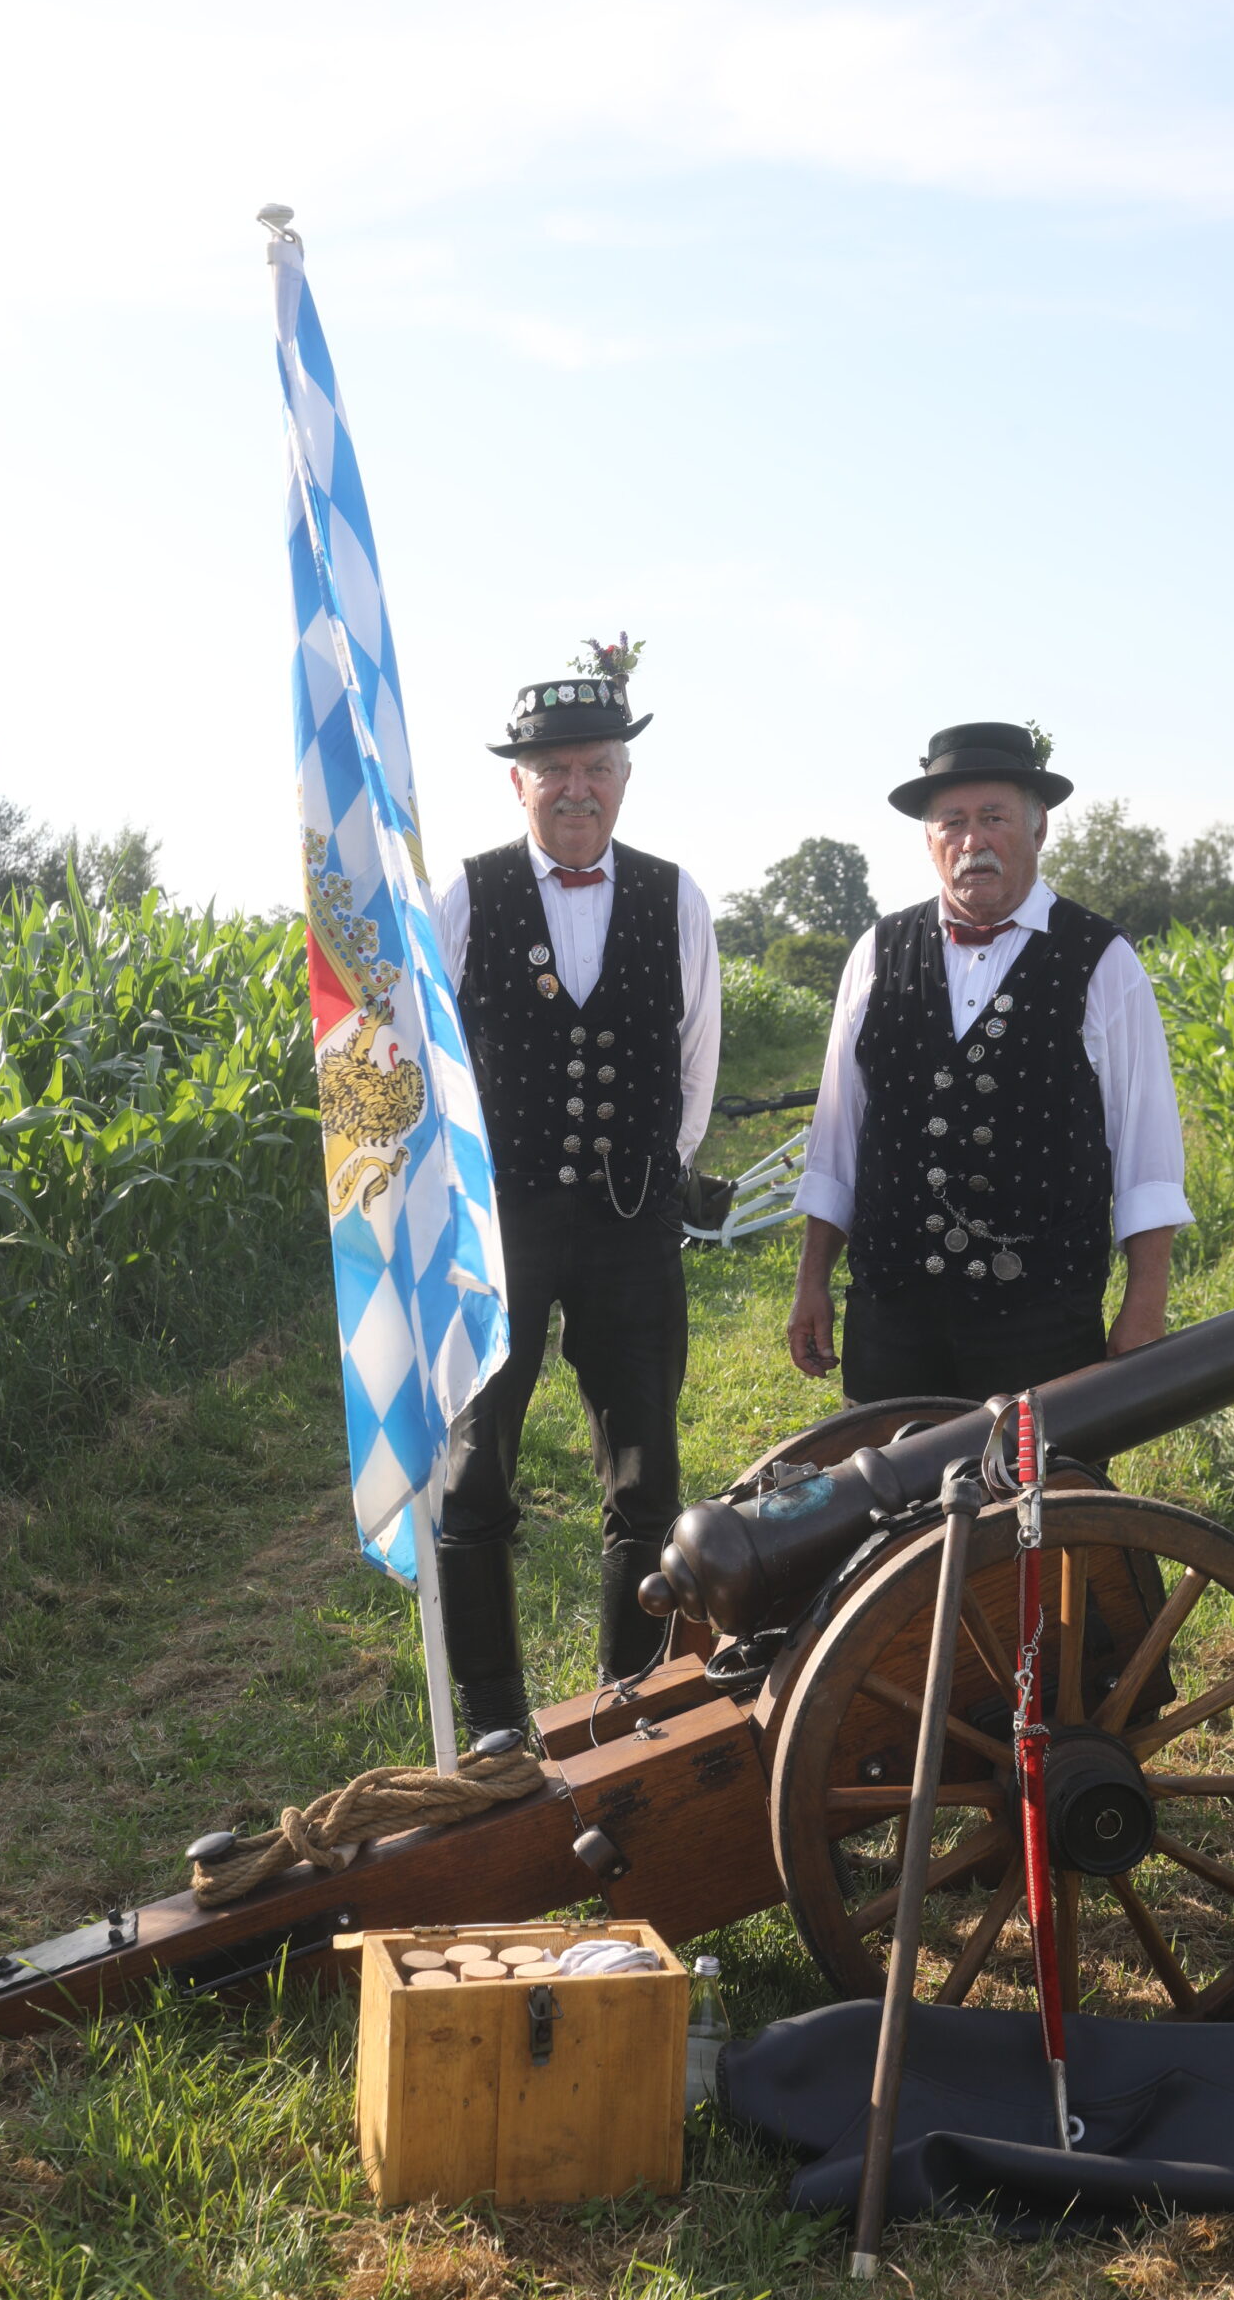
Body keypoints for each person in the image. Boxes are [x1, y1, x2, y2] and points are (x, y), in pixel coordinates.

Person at [431, 656, 719, 1734]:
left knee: (646, 1470)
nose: (576, 787)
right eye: (553, 768)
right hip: (496, 1223)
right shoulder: (466, 894)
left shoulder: (675, 896)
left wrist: (645, 1178)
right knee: (473, 1470)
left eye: (597, 765)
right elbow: (429, 1061)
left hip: (629, 1225)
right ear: (518, 783)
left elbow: (695, 1066)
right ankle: (494, 1718)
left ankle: (624, 1700)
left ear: (625, 777)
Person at [787, 720, 1191, 1406]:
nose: (971, 841)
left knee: (1039, 1479)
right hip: (891, 1309)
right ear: (928, 839)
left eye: (993, 818)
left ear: (1039, 828)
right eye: (951, 822)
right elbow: (837, 1144)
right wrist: (811, 1281)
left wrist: (1144, 1306)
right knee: (886, 1474)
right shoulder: (876, 952)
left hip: (1041, 1317)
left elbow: (1145, 1155)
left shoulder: (1102, 960)